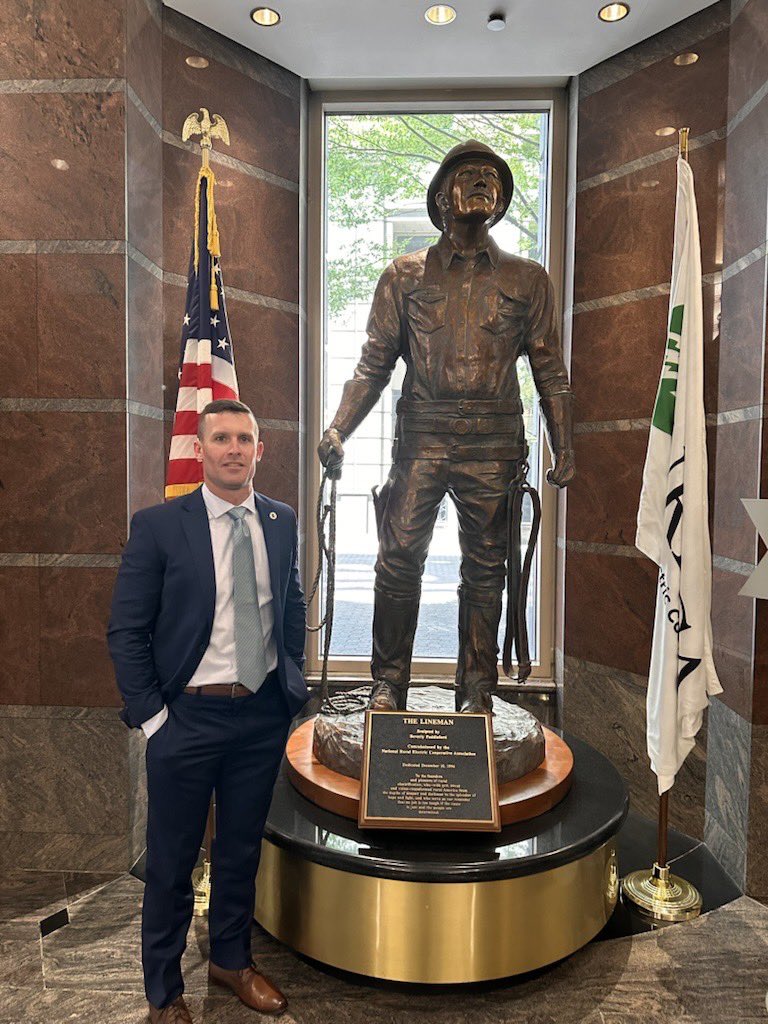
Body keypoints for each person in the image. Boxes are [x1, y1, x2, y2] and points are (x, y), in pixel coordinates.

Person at [318, 140, 574, 715]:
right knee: (398, 556)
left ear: (503, 200)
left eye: (493, 177)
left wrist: (566, 447)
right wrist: (338, 429)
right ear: (441, 196)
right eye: (468, 175)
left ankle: (478, 692)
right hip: (422, 442)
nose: (483, 182)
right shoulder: (403, 276)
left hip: (494, 446)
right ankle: (388, 684)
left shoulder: (529, 280)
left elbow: (551, 370)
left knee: (487, 572)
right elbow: (374, 364)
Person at [108, 398, 308, 1023]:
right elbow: (126, 630)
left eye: (244, 439)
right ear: (202, 448)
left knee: (241, 850)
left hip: (260, 717)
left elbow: (290, 608)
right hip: (186, 721)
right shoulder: (161, 526)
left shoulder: (279, 519)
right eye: (220, 438)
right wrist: (154, 721)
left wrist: (289, 691)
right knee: (171, 862)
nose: (233, 449)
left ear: (260, 448)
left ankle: (230, 958)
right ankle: (165, 993)